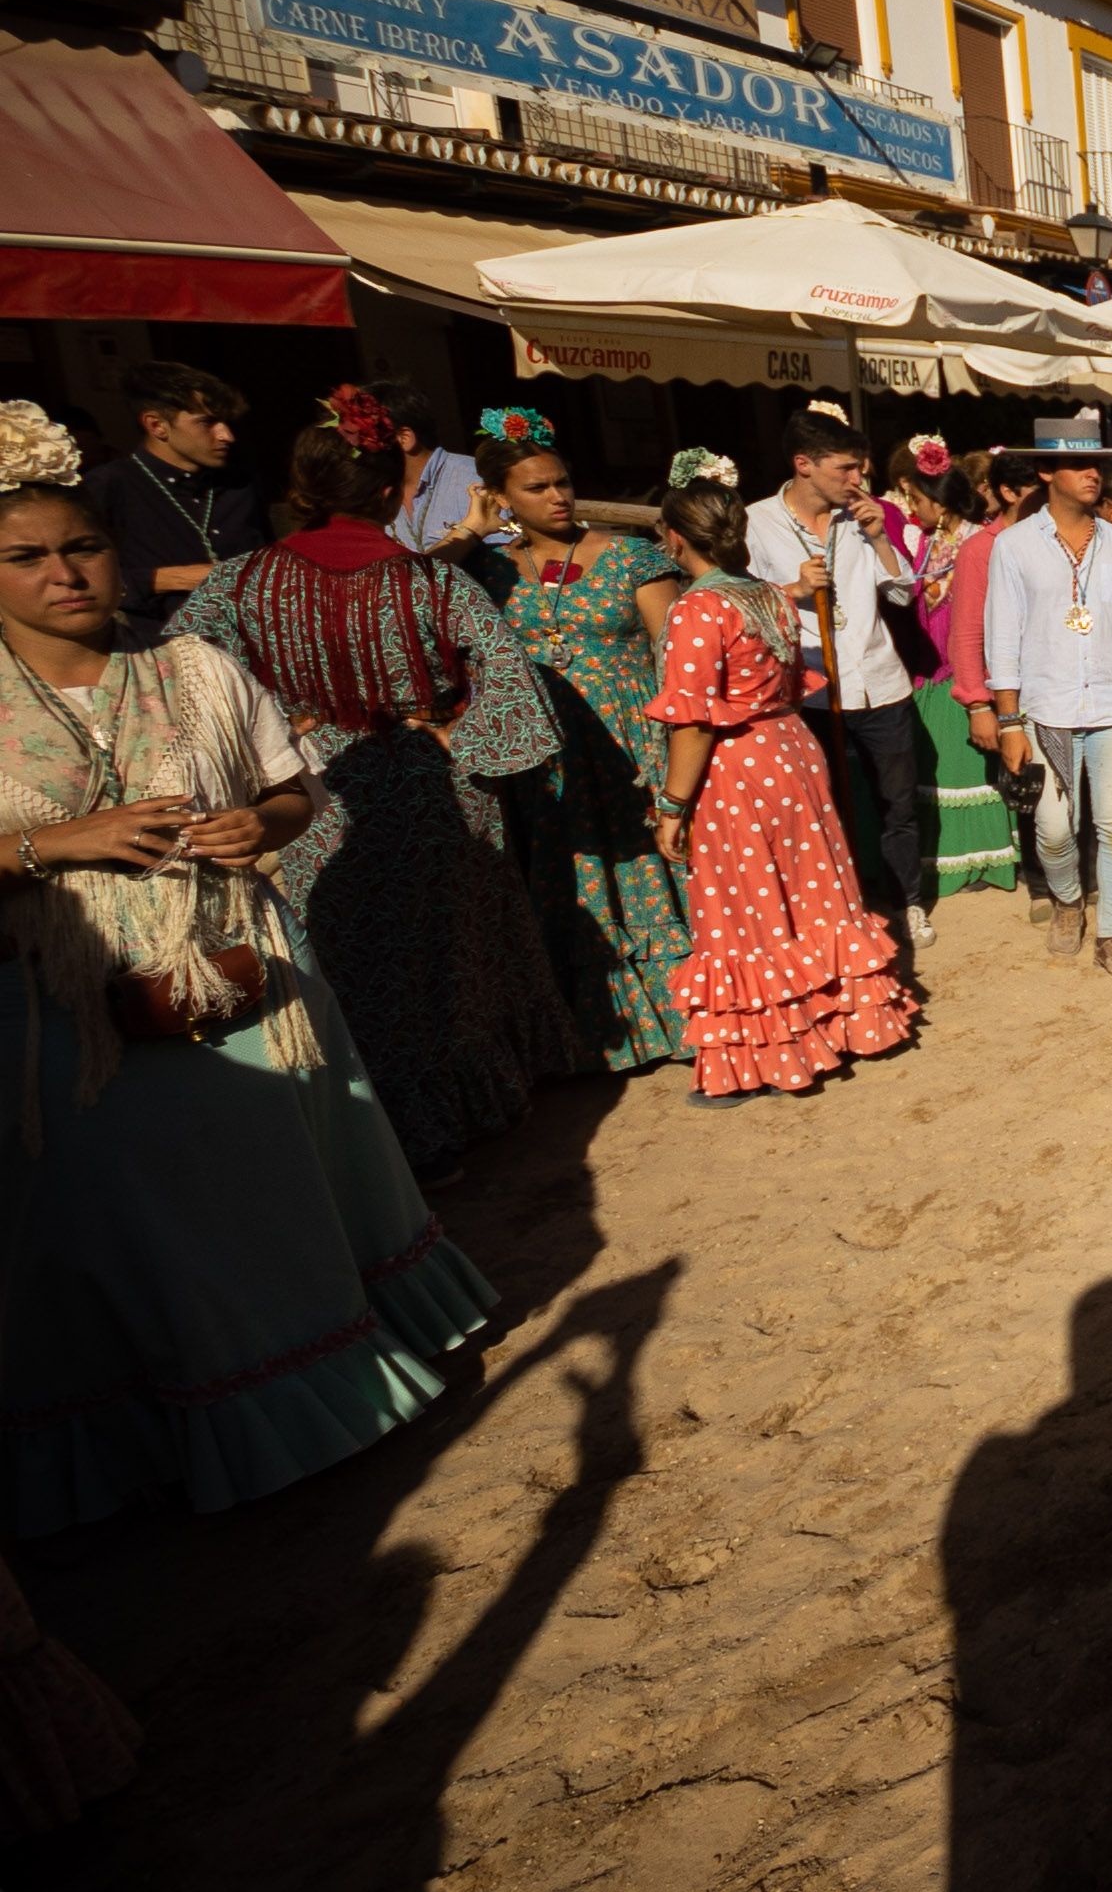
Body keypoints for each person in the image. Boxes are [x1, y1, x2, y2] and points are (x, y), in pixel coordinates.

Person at [0, 410, 499, 1536]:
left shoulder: (196, 660)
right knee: (130, 1230)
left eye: (79, 545)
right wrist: (53, 846)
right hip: (66, 1022)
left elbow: (294, 789)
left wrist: (256, 827)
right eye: (26, 556)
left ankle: (327, 1398)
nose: (64, 572)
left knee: (275, 1198)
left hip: (241, 978)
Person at [168, 385, 574, 1179]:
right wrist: (466, 738)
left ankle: (388, 1125)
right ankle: (469, 1109)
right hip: (431, 785)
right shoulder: (432, 583)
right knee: (450, 949)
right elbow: (516, 696)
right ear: (397, 491)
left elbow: (178, 679)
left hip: (320, 794)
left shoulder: (238, 584)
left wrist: (265, 748)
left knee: (356, 951)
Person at [645, 464, 917, 1105]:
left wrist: (670, 806)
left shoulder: (697, 608)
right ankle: (848, 1025)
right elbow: (793, 682)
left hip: (737, 765)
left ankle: (769, 1055)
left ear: (676, 541)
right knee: (814, 894)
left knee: (748, 909)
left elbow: (693, 721)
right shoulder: (768, 595)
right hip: (792, 749)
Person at [457, 406, 689, 1072]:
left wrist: (674, 752)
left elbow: (675, 658)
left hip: (631, 741)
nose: (558, 497)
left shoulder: (631, 557)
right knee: (575, 883)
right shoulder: (486, 570)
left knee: (649, 871)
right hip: (546, 758)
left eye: (562, 482)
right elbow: (415, 590)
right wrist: (469, 534)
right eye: (537, 488)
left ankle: (683, 1018)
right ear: (498, 498)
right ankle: (597, 1037)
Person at [985, 412, 1112, 981]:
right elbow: (1001, 637)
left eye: (1100, 464)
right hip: (1046, 707)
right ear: (1047, 472)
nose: (1094, 474)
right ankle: (1065, 901)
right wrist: (1009, 721)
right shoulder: (1013, 547)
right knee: (1055, 827)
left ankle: (1110, 932)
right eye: (1081, 463)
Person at [747, 406, 927, 941]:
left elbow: (901, 592)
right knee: (818, 807)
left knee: (897, 804)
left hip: (879, 683)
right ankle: (840, 909)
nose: (858, 479)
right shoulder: (756, 522)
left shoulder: (862, 517)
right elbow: (736, 608)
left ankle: (906, 902)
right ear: (804, 464)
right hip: (808, 692)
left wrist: (878, 539)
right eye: (845, 468)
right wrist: (791, 593)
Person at [890, 438, 1018, 910]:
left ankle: (985, 862)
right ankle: (953, 864)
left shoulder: (978, 544)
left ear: (940, 504)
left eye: (919, 501)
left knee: (965, 769)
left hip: (961, 671)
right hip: (929, 672)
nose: (913, 509)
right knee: (939, 772)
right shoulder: (926, 545)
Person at [79, 362, 265, 641]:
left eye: (226, 422)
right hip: (162, 651)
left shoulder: (239, 484)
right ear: (157, 425)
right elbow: (80, 579)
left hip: (251, 644)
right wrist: (166, 579)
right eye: (207, 422)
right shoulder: (110, 486)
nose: (226, 435)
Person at [361, 378, 480, 555]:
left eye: (366, 438)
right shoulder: (370, 494)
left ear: (404, 438)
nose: (357, 450)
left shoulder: (473, 478)